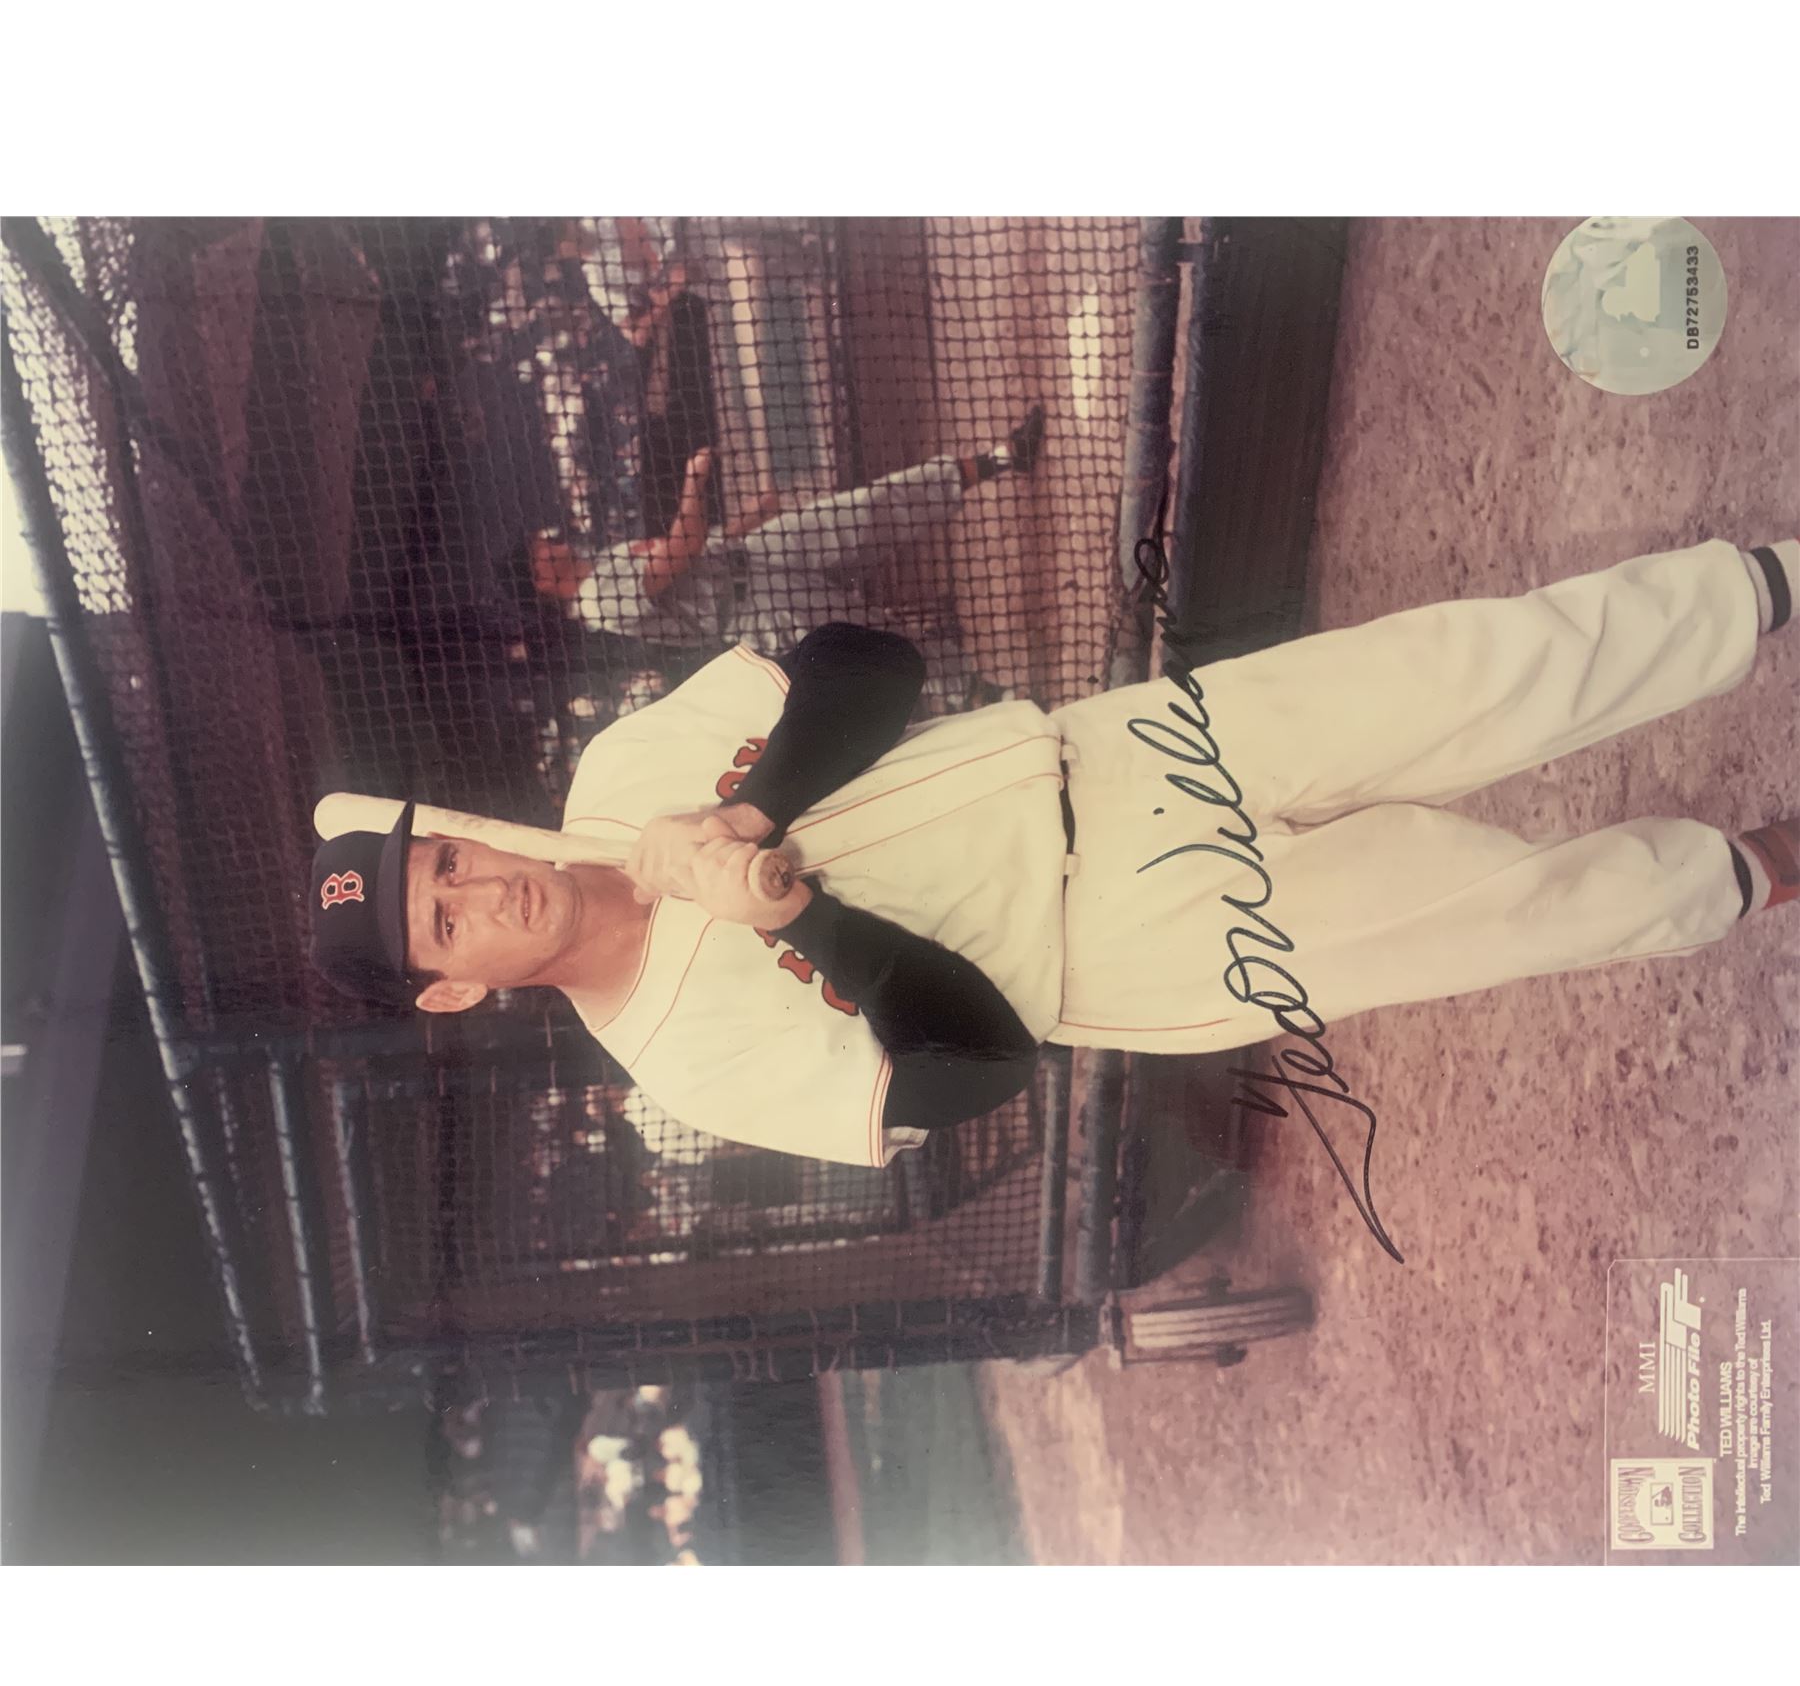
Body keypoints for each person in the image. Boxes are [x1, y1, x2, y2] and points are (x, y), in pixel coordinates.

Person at [309, 537, 1798, 1171]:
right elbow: (974, 1075)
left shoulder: (621, 783)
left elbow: (868, 663)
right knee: (1513, 908)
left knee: (1483, 666)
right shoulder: (680, 1066)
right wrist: (793, 913)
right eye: (442, 926)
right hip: (1129, 953)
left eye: (442, 865)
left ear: (454, 832)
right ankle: (1765, 865)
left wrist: (752, 811)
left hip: (1111, 754)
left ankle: (1769, 585)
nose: (475, 892)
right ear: (453, 990)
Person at [525, 407, 1048, 656]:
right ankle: (989, 699)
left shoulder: (603, 561)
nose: (550, 545)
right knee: (875, 640)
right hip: (755, 608)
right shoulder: (597, 601)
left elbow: (698, 554)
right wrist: (694, 481)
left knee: (872, 508)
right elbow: (682, 549)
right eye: (539, 556)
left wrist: (749, 519)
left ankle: (1003, 458)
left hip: (756, 554)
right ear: (544, 583)